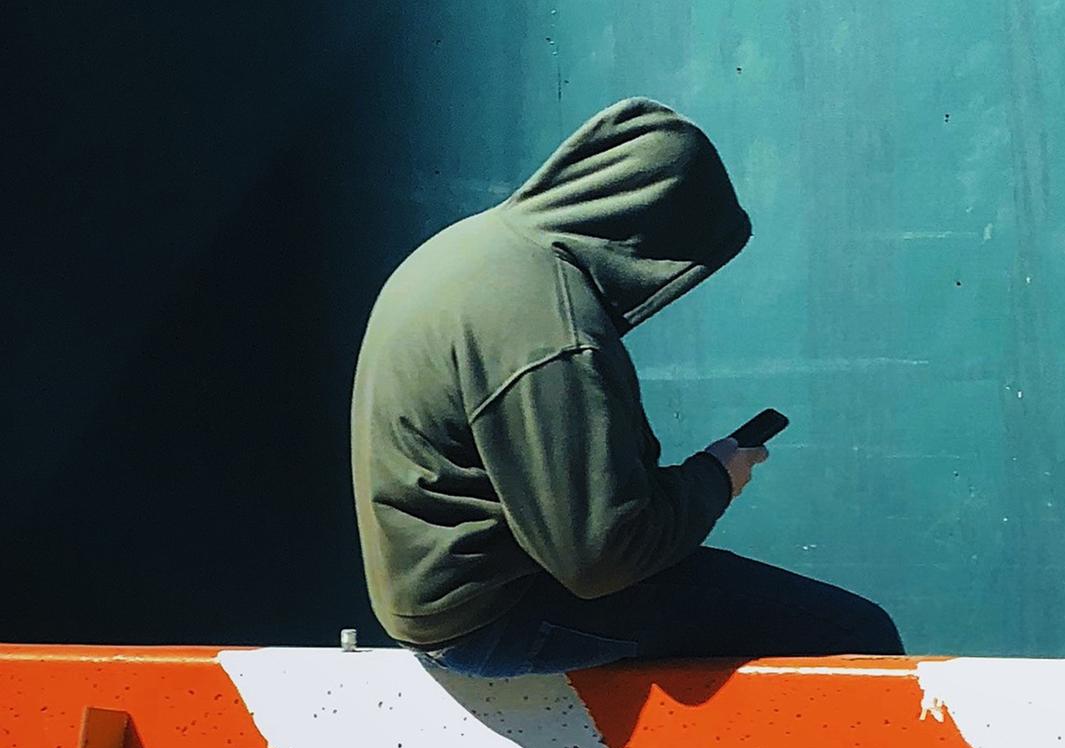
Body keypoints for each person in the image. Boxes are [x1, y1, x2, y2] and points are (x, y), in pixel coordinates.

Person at [350, 97, 903, 677]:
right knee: (857, 635)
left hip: (436, 601)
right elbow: (601, 559)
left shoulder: (473, 250)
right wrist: (716, 478)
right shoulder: (552, 328)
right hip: (497, 617)